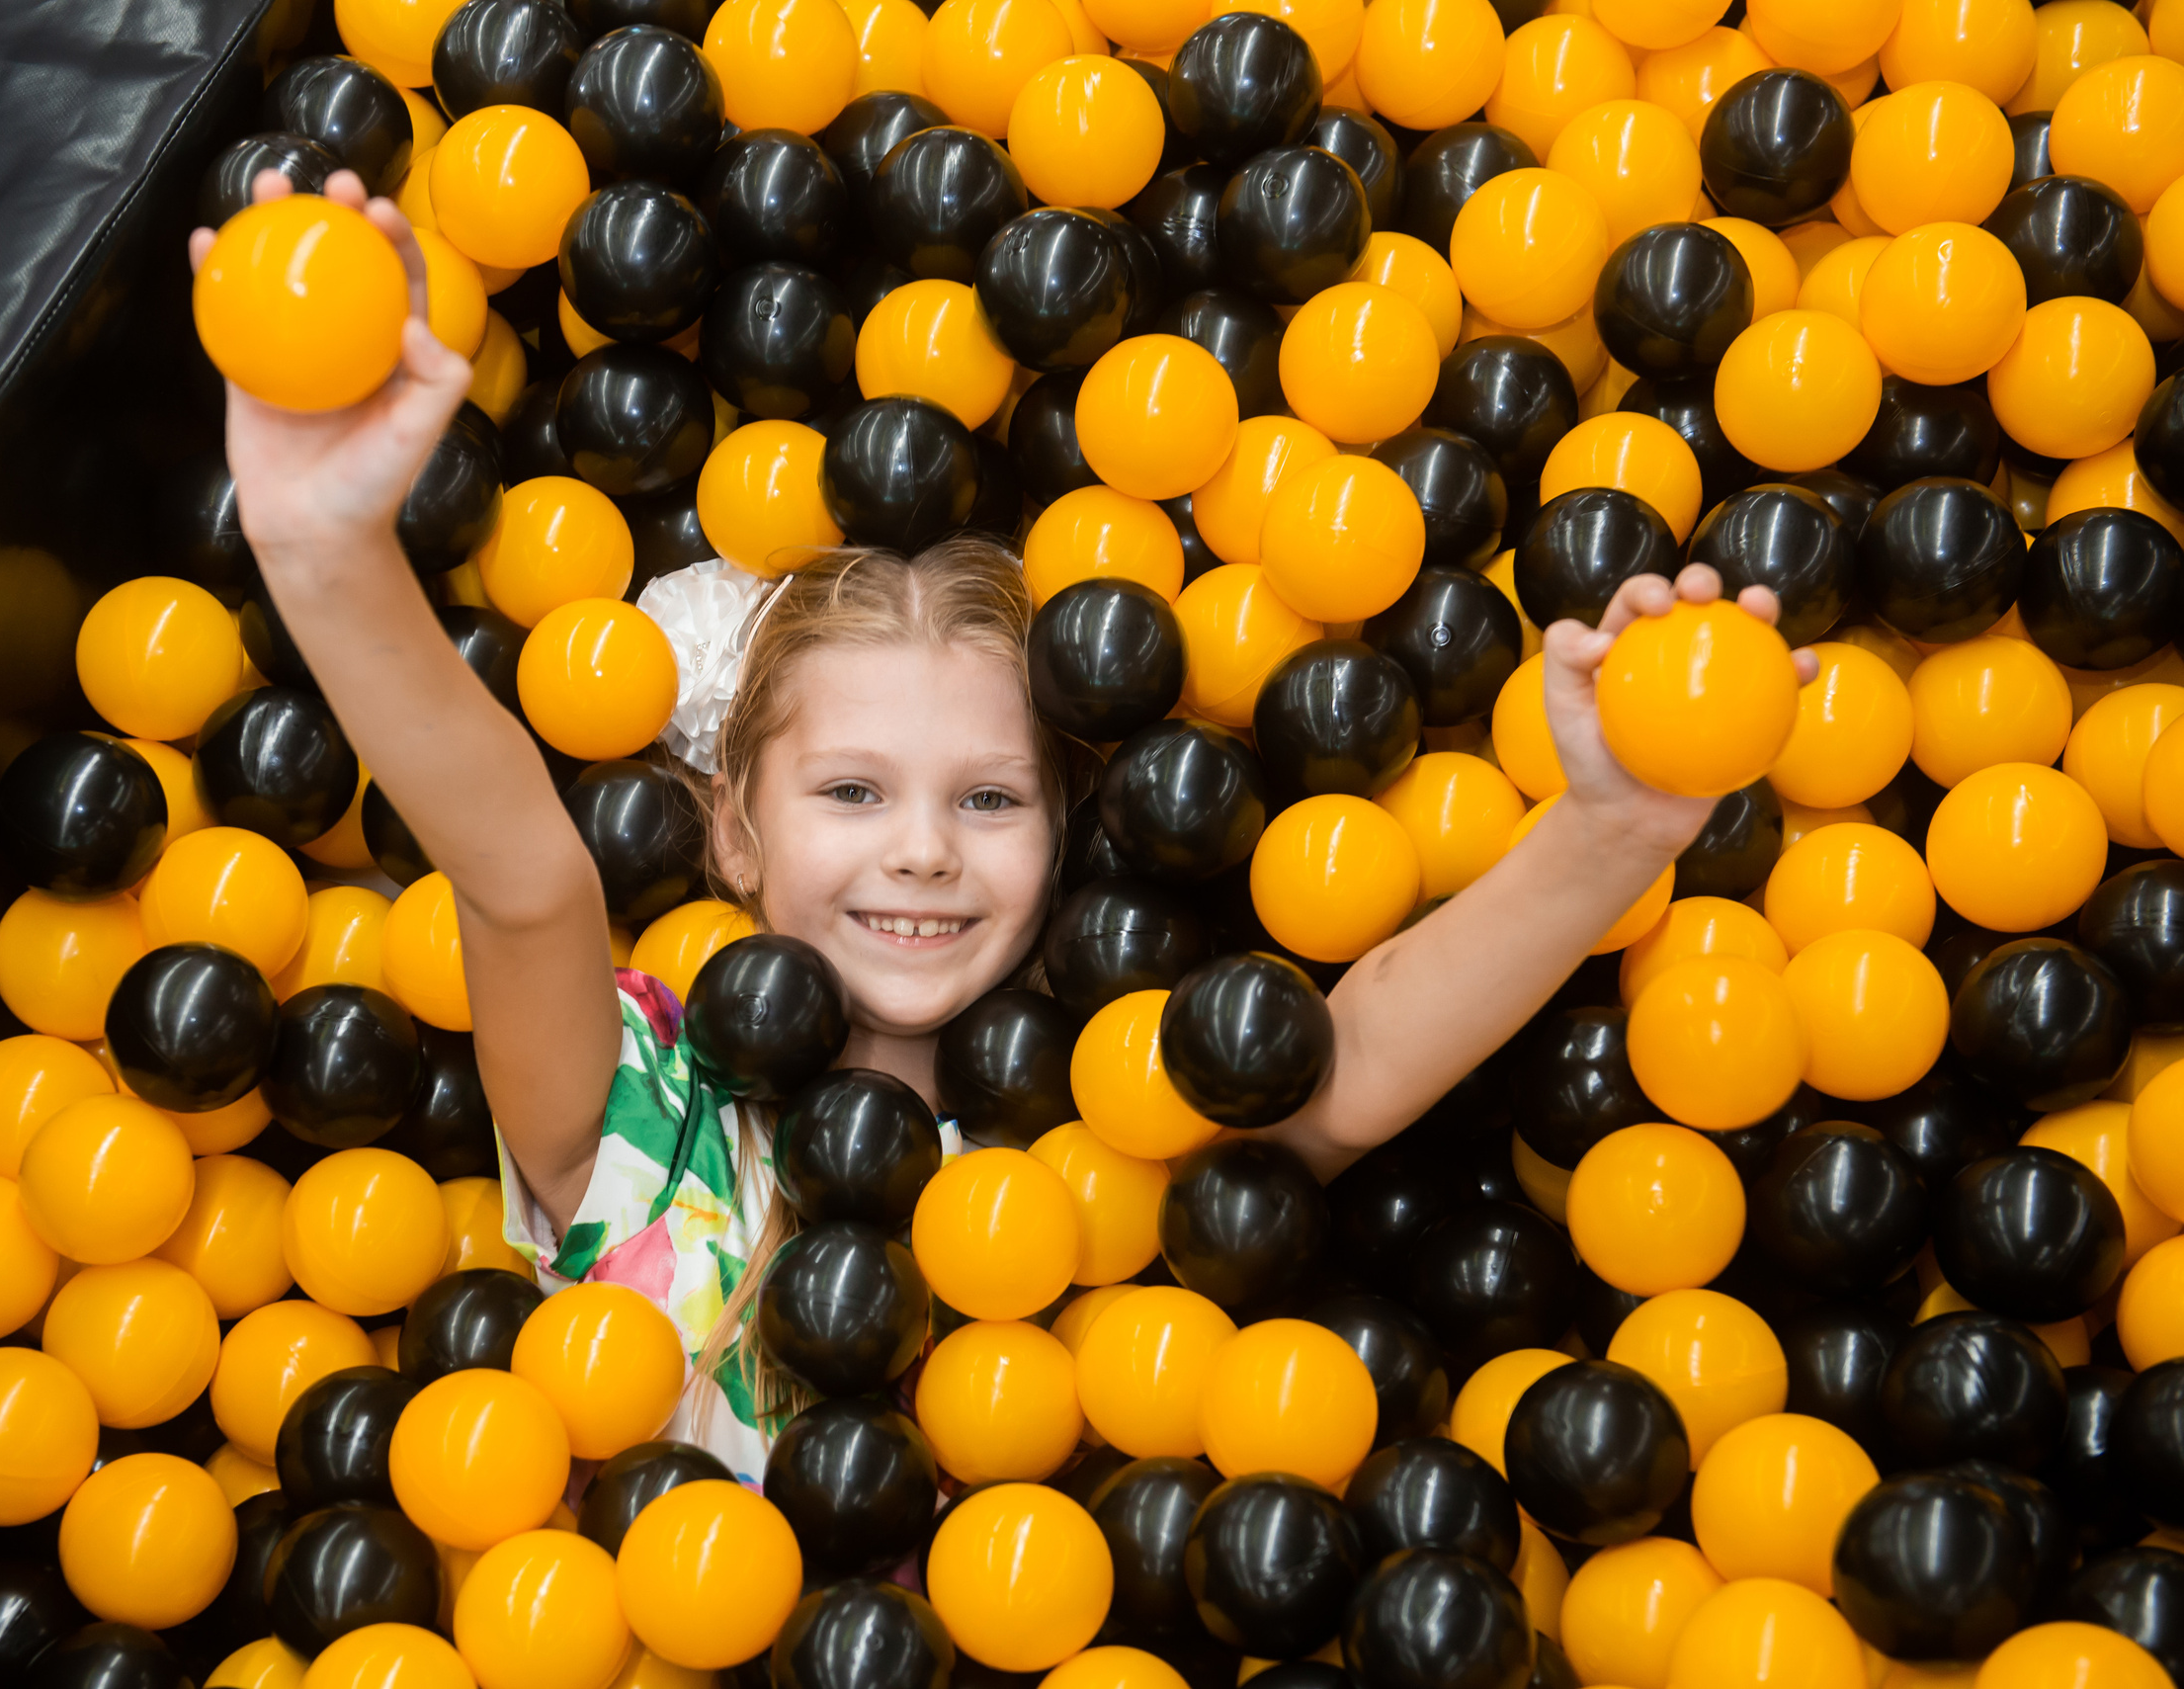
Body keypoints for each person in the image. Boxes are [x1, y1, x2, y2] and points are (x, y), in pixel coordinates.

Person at [192, 170, 1817, 1480]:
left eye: (988, 799)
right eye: (850, 793)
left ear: (1066, 831)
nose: (921, 850)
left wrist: (1613, 831)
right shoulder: (646, 1107)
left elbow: (1364, 1048)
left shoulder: (1107, 1140)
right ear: (731, 833)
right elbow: (525, 873)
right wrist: (330, 551)